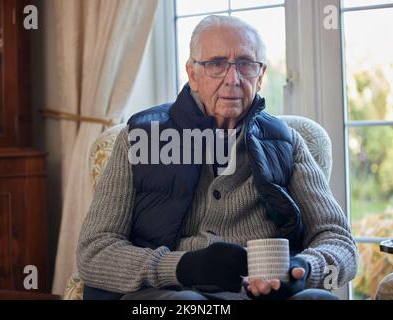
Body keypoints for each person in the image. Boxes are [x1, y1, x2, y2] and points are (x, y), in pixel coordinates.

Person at [76, 15, 358, 300]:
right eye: (216, 64)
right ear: (192, 74)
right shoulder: (139, 137)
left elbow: (338, 240)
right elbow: (94, 251)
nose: (232, 79)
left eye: (246, 64)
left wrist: (302, 269)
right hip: (168, 292)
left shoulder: (287, 141)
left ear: (260, 77)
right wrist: (182, 267)